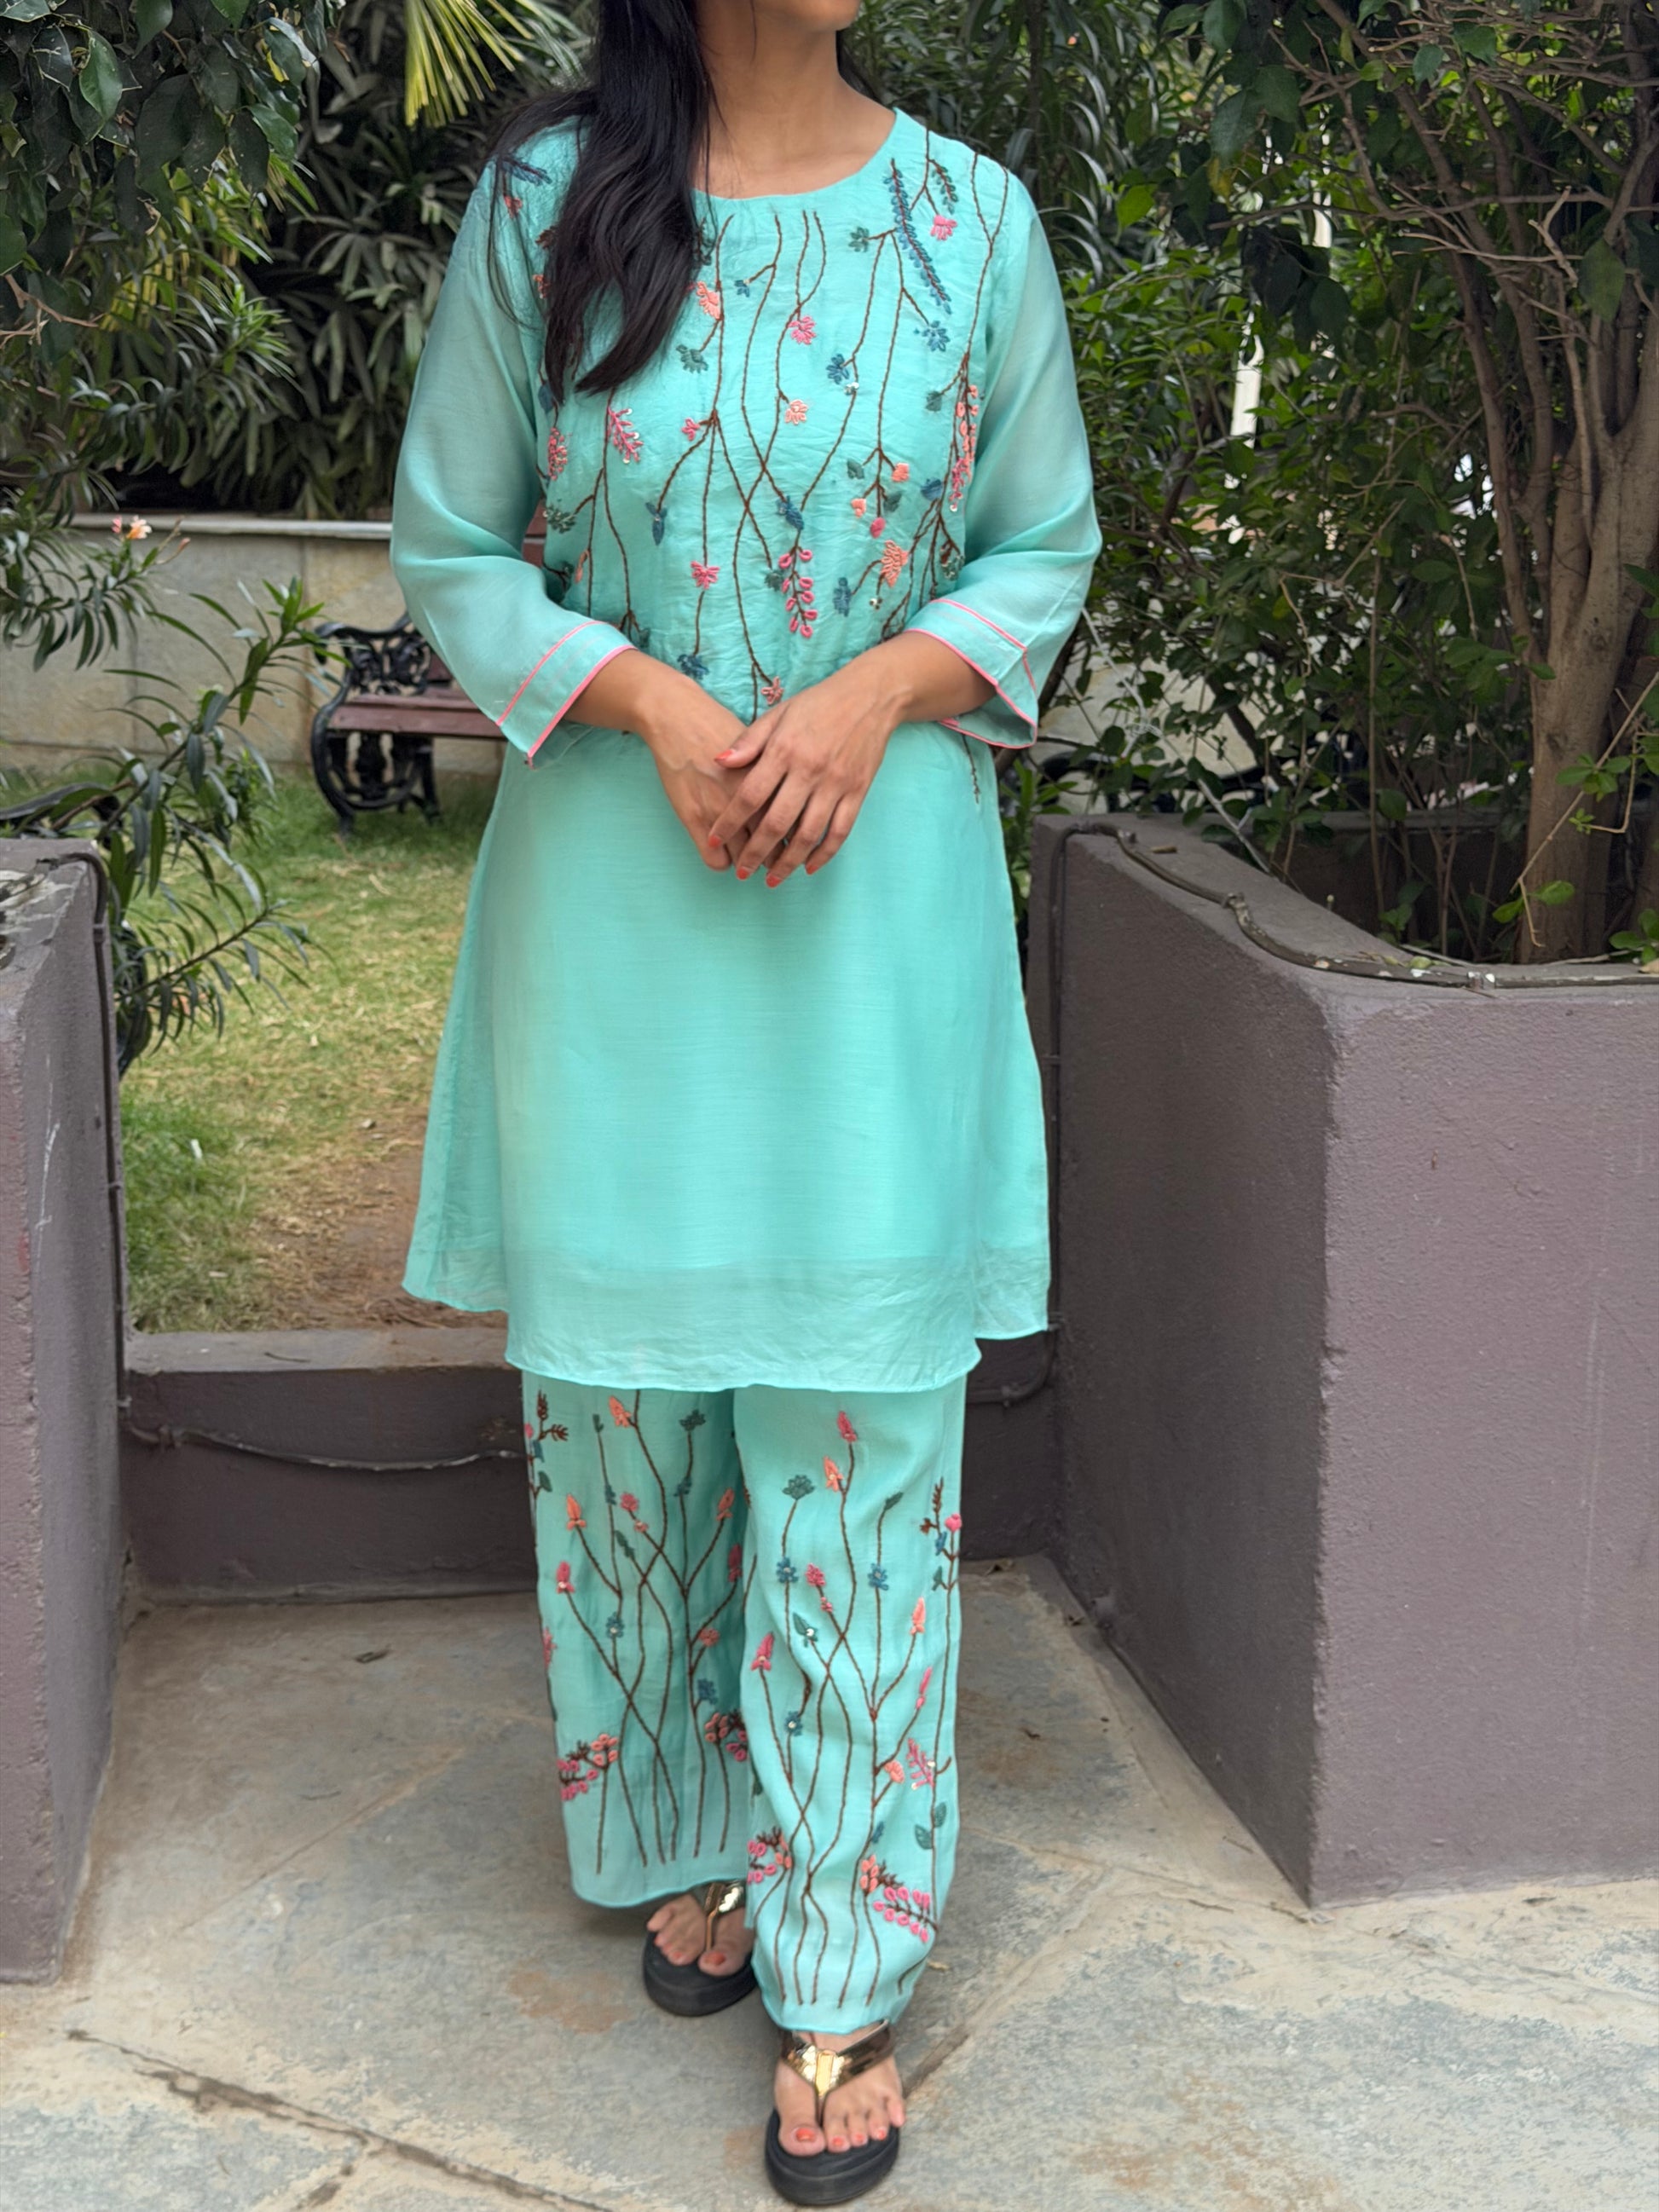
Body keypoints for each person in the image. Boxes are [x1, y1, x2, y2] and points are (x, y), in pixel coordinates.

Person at [390, 0, 1097, 2198]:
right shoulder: (546, 208)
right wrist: (661, 710)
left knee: (859, 1421)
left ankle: (843, 1956)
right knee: (629, 1412)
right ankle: (702, 1835)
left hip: (870, 920)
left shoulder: (973, 222)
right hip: (618, 902)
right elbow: (452, 543)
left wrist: (871, 696)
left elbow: (1042, 548)